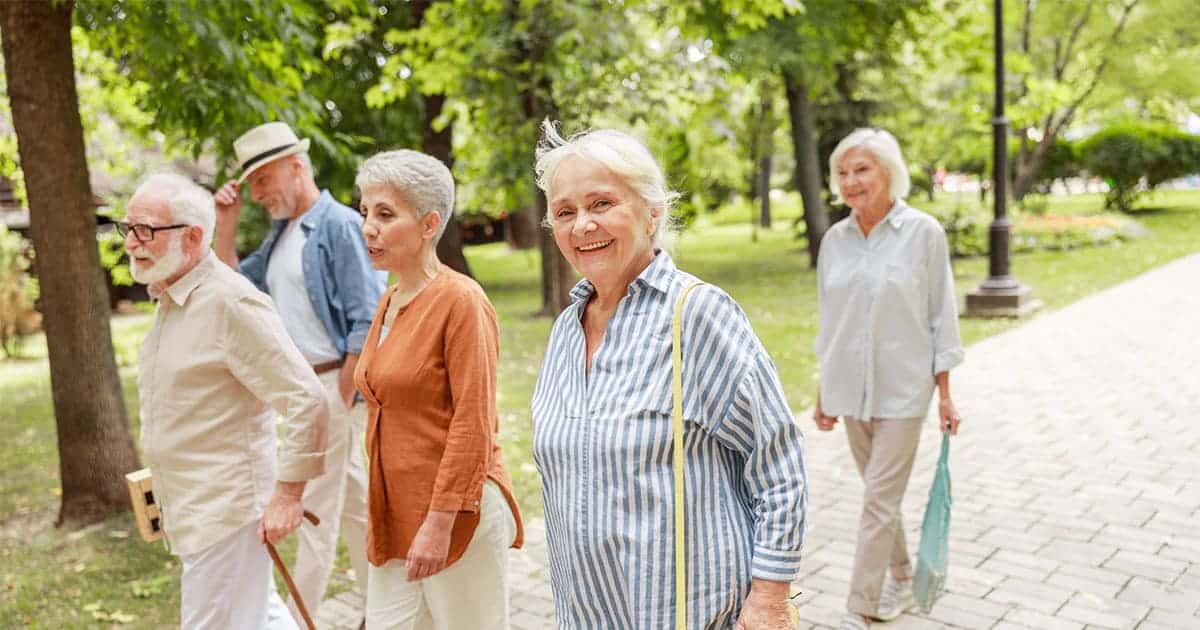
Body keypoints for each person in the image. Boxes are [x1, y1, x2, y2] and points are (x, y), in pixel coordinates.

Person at [530, 122, 809, 629]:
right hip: (590, 612)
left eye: (602, 204)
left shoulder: (696, 315)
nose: (582, 225)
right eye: (565, 212)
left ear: (652, 210)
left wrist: (770, 596)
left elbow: (778, 461)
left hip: (687, 613)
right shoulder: (566, 331)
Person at [124, 174, 329, 629]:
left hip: (227, 512)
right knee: (261, 617)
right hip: (194, 508)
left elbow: (307, 398)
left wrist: (289, 494)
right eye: (128, 229)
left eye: (146, 231)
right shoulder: (172, 300)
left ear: (193, 237)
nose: (131, 243)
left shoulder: (230, 303)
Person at [213, 122, 385, 624]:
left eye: (263, 180)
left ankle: (298, 619)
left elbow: (366, 313)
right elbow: (229, 286)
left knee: (312, 512)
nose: (259, 194)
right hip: (304, 391)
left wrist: (343, 389)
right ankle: (382, 612)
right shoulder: (283, 232)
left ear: (296, 166)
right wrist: (226, 222)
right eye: (252, 186)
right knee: (355, 508)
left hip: (329, 388)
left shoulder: (337, 225)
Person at [351, 150, 524, 629]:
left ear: (429, 225)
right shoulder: (389, 298)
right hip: (393, 511)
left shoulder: (462, 301)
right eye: (365, 212)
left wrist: (439, 523)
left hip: (456, 513)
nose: (369, 227)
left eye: (386, 214)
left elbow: (474, 422)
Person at [810, 128, 964, 630]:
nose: (851, 181)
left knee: (877, 499)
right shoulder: (835, 240)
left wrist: (945, 394)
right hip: (851, 390)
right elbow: (830, 319)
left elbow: (942, 315)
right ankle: (901, 575)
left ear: (888, 172)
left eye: (862, 169)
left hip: (904, 389)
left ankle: (862, 607)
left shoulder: (923, 233)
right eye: (843, 172)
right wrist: (823, 388)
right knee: (883, 497)